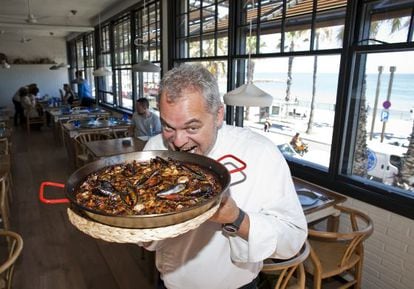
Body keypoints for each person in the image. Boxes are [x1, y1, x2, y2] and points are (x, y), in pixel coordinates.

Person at [142, 64, 307, 289]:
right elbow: (146, 237)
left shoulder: (260, 152)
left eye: (192, 128)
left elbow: (293, 239)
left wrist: (236, 218)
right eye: (168, 127)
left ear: (218, 115)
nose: (178, 141)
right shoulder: (154, 149)